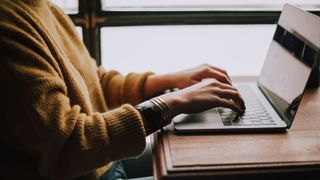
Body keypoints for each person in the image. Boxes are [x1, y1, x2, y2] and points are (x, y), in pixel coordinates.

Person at [0, 0, 245, 179]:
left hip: (101, 164)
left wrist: (169, 81)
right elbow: (69, 143)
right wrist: (171, 102)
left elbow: (93, 83)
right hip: (87, 173)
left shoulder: (44, 7)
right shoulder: (8, 25)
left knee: (212, 159)